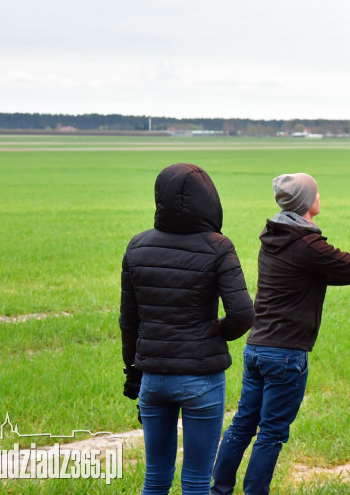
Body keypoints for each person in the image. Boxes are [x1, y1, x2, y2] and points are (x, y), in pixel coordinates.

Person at [211, 173, 350, 495]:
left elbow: (330, 272)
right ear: (306, 202)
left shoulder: (274, 236)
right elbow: (349, 265)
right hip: (286, 354)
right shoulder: (306, 243)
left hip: (257, 348)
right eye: (316, 192)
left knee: (243, 425)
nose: (320, 195)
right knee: (271, 433)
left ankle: (219, 490)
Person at [119, 163, 254, 495]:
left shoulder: (137, 246)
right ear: (208, 199)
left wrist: (132, 372)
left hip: (152, 377)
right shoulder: (219, 247)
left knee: (155, 476)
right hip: (200, 378)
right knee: (195, 480)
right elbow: (242, 314)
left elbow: (128, 321)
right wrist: (214, 332)